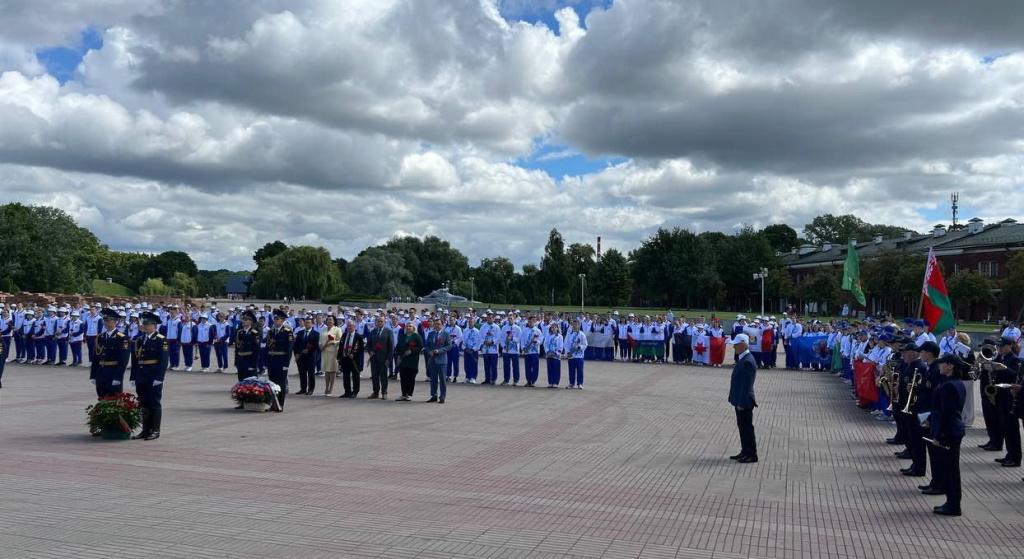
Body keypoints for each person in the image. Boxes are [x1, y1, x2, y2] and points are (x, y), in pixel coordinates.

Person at [927, 353, 967, 515]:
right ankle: (951, 502)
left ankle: (953, 505)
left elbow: (946, 412)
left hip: (948, 431)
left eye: (943, 363)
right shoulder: (954, 383)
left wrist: (938, 434)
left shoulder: (949, 386)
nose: (939, 366)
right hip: (952, 429)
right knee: (950, 469)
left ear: (950, 366)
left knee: (950, 470)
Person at [130, 312, 169, 440]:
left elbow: (163, 361)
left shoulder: (160, 340)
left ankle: (155, 430)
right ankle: (145, 429)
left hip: (153, 376)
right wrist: (133, 376)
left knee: (154, 403)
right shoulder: (140, 340)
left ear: (154, 325)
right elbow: (135, 360)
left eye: (147, 324)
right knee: (143, 403)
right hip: (141, 375)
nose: (144, 326)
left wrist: (159, 378)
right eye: (144, 324)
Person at [727, 333, 758, 463]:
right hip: (739, 400)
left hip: (744, 401)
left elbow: (746, 385)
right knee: (742, 427)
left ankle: (751, 454)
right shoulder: (744, 358)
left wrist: (741, 402)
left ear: (743, 345)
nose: (733, 346)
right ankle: (745, 451)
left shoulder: (747, 361)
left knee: (747, 428)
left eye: (736, 344)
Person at [90, 308, 130, 399]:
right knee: (101, 397)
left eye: (108, 320)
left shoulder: (122, 338)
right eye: (104, 320)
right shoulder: (100, 337)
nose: (105, 323)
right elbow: (96, 357)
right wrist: (93, 375)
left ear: (115, 322)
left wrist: (118, 377)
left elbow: (123, 360)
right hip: (101, 372)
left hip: (113, 372)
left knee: (114, 400)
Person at [266, 309, 293, 412]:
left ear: (282, 320)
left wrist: (286, 364)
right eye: (275, 319)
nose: (275, 321)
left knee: (281, 384)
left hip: (281, 361)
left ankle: (280, 404)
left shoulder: (287, 332)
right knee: (272, 383)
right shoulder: (271, 331)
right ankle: (273, 404)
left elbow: (289, 350)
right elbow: (268, 348)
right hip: (272, 361)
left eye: (278, 319)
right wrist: (267, 362)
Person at [366, 316, 394, 399]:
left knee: (383, 376)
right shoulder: (373, 331)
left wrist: (389, 359)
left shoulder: (388, 331)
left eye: (381, 321)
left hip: (384, 358)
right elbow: (368, 344)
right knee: (374, 376)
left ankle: (384, 392)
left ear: (384, 322)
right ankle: (375, 392)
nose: (379, 323)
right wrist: (370, 351)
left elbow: (391, 347)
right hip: (374, 358)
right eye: (378, 321)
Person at [424, 318, 451, 403]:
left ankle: (442, 396)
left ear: (442, 325)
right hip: (432, 360)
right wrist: (429, 352)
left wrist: (439, 351)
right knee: (433, 379)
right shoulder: (431, 334)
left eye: (439, 324)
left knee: (442, 379)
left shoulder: (446, 334)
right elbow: (427, 345)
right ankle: (434, 395)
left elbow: (449, 346)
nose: (437, 325)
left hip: (442, 360)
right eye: (436, 324)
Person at [395, 321, 424, 401]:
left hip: (412, 361)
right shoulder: (403, 336)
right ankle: (403, 394)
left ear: (413, 328)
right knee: (403, 377)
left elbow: (420, 346)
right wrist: (398, 355)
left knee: (410, 378)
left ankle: (409, 394)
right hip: (403, 360)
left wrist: (412, 351)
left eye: (410, 326)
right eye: (407, 326)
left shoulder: (416, 336)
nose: (408, 327)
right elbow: (398, 347)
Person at [293, 316, 320, 395]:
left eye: (308, 323)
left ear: (312, 324)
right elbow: (296, 345)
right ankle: (303, 388)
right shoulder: (300, 333)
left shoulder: (316, 334)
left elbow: (316, 346)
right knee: (302, 373)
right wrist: (296, 354)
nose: (307, 324)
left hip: (311, 357)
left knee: (311, 374)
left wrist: (308, 350)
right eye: (306, 322)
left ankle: (311, 389)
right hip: (301, 357)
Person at [338, 320, 364, 398]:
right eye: (348, 326)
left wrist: (354, 354)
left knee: (355, 376)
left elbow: (361, 349)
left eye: (351, 326)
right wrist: (339, 357)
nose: (349, 327)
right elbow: (341, 346)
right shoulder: (344, 335)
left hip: (354, 360)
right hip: (345, 358)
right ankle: (347, 391)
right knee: (346, 376)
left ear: (354, 327)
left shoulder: (358, 337)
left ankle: (355, 392)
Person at [320, 315, 342, 396]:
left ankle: (331, 389)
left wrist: (334, 342)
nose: (329, 321)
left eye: (331, 320)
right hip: (325, 352)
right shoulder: (323, 329)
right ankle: (326, 387)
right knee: (326, 371)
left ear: (334, 321)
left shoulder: (337, 329)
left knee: (332, 371)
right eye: (328, 320)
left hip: (333, 352)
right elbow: (320, 340)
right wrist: (320, 345)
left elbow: (340, 340)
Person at [564, 319, 588, 389]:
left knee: (580, 370)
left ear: (579, 325)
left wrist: (579, 347)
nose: (574, 326)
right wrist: (568, 352)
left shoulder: (582, 334)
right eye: (573, 324)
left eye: (576, 324)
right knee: (571, 370)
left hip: (579, 356)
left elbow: (585, 344)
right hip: (571, 356)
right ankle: (571, 383)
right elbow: (566, 344)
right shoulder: (569, 334)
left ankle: (580, 383)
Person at [544, 323, 564, 388]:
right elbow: (545, 344)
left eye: (555, 327)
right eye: (552, 327)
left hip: (556, 355)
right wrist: (547, 351)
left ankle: (555, 382)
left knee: (556, 369)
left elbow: (561, 346)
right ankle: (550, 382)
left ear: (557, 328)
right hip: (549, 354)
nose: (554, 329)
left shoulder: (560, 336)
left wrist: (556, 352)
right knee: (550, 368)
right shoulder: (548, 335)